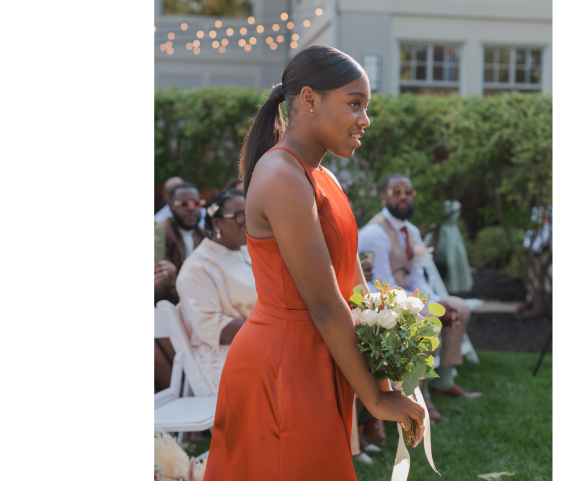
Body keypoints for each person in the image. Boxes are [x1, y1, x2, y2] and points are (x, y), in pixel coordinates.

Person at [205, 45, 425, 480]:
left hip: (322, 355)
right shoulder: (282, 176)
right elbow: (324, 304)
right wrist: (376, 399)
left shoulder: (324, 177)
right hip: (284, 365)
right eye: (354, 104)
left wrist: (388, 371)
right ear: (309, 100)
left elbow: (355, 287)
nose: (365, 119)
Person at [358, 173, 483, 417]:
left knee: (459, 307)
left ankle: (445, 382)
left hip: (408, 296)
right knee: (429, 321)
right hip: (383, 302)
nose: (403, 196)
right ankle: (420, 394)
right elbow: (384, 285)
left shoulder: (412, 231)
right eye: (396, 192)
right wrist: (429, 307)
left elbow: (417, 277)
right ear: (383, 197)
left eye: (408, 192)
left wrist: (438, 302)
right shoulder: (374, 232)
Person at [174, 188, 255, 396]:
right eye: (239, 216)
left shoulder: (246, 251)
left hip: (261, 342)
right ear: (217, 223)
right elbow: (211, 327)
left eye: (249, 214)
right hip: (224, 357)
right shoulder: (197, 268)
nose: (247, 222)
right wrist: (271, 329)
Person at [155, 182, 206, 304]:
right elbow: (157, 284)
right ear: (170, 207)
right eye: (184, 203)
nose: (191, 208)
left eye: (196, 203)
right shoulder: (158, 235)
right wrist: (168, 277)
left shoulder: (203, 234)